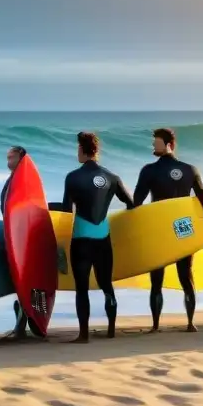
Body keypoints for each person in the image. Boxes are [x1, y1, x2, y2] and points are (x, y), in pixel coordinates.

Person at [133, 127, 203, 333]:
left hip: (160, 229)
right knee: (186, 275)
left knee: (157, 279)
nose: (153, 146)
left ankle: (155, 325)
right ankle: (189, 323)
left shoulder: (149, 171)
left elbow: (136, 202)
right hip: (183, 228)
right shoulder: (190, 170)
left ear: (168, 144)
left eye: (156, 142)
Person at [61, 131, 135, 343]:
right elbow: (130, 204)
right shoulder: (112, 178)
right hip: (103, 239)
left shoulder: (73, 177)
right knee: (106, 285)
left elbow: (67, 211)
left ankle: (83, 334)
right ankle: (111, 329)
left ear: (82, 150)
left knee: (82, 287)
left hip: (81, 239)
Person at [0, 145, 35, 338]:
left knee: (22, 284)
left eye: (11, 157)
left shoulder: (24, 180)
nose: (8, 161)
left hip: (22, 239)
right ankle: (21, 324)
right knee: (18, 284)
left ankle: (20, 327)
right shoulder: (14, 179)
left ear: (21, 158)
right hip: (14, 236)